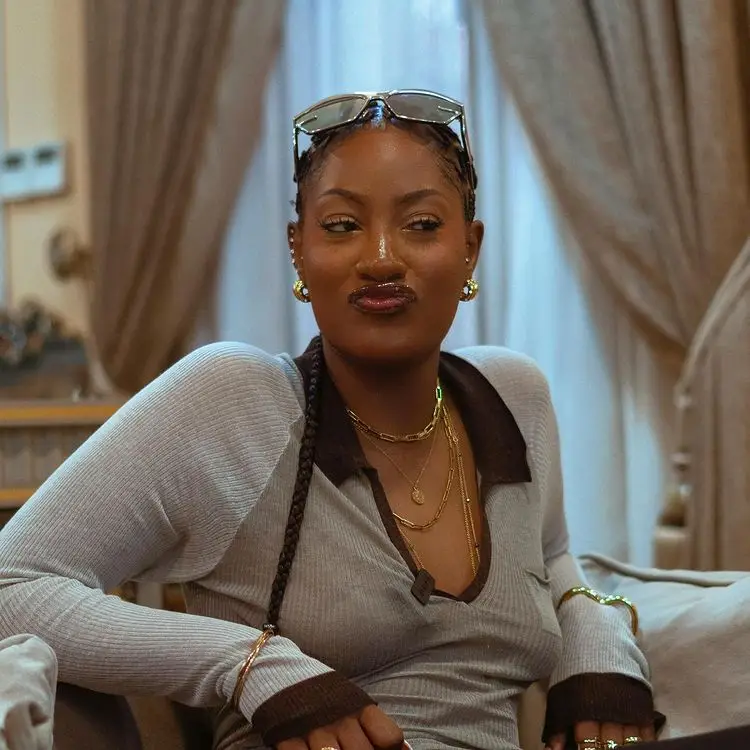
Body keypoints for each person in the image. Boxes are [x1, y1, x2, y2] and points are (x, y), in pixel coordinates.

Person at [0, 90, 658, 750]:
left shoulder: (513, 396)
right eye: (342, 226)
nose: (381, 258)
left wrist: (598, 636)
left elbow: (551, 556)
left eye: (421, 224)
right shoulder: (235, 400)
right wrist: (250, 664)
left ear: (470, 247)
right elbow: (11, 586)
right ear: (298, 249)